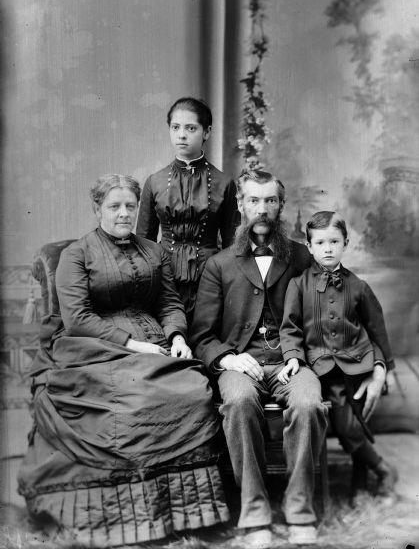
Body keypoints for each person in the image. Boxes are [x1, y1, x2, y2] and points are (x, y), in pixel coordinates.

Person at [18, 174, 229, 546]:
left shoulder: (154, 251)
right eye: (114, 206)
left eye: (130, 206)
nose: (123, 214)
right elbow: (78, 318)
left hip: (154, 339)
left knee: (194, 392)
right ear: (97, 209)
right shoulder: (76, 254)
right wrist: (132, 344)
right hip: (94, 346)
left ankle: (177, 514)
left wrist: (177, 335)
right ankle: (121, 518)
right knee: (137, 399)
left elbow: (168, 303)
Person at [191, 169, 328, 548]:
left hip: (292, 361)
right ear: (241, 204)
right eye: (254, 200)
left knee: (308, 403)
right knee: (237, 400)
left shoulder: (302, 257)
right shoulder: (219, 264)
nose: (262, 209)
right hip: (241, 363)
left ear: (281, 206)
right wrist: (227, 360)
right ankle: (254, 512)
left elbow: (321, 317)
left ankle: (299, 509)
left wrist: (298, 356)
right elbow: (201, 335)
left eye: (270, 201)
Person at [278, 211, 398, 504]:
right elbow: (290, 328)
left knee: (353, 424)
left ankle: (364, 483)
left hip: (358, 366)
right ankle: (381, 471)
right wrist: (293, 357)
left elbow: (376, 329)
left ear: (346, 243)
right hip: (320, 370)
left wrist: (386, 369)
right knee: (347, 426)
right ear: (309, 247)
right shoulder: (299, 285)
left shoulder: (358, 286)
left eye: (334, 241)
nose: (328, 248)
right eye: (320, 243)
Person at [137, 97, 237, 320]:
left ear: (207, 132)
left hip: (211, 277)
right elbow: (144, 240)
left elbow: (232, 244)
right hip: (163, 276)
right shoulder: (155, 182)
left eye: (190, 128)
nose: (181, 135)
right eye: (175, 127)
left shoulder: (224, 183)